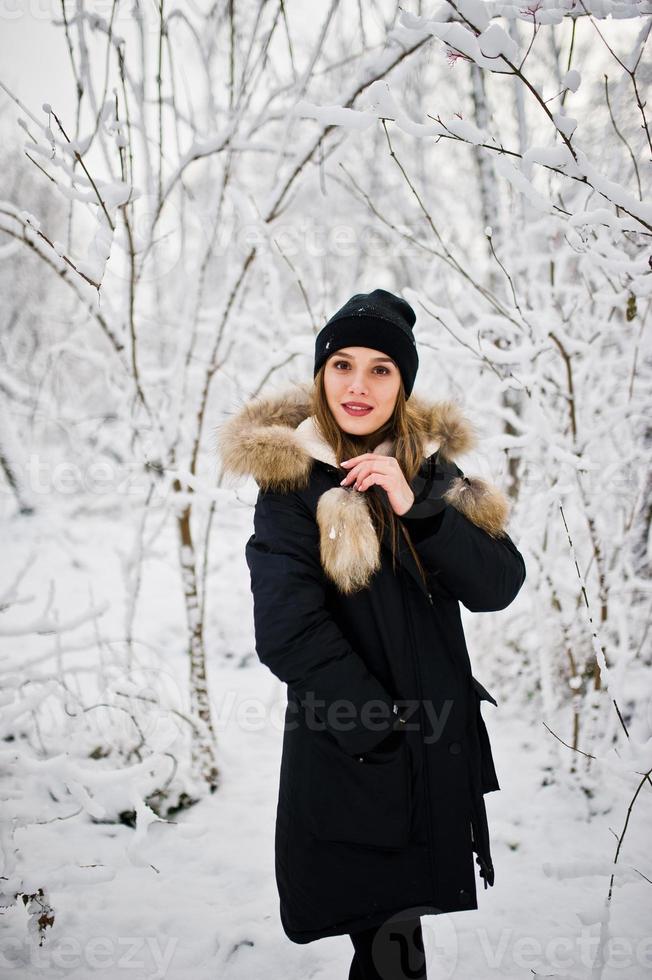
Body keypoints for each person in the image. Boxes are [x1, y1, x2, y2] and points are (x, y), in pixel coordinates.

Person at [217, 288, 527, 979]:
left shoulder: (431, 472)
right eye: (343, 365)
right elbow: (288, 630)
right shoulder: (292, 484)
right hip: (361, 759)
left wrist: (417, 506)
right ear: (321, 374)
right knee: (390, 947)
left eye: (381, 368)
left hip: (431, 760)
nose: (358, 385)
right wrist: (380, 729)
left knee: (398, 943)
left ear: (403, 384)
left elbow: (498, 584)